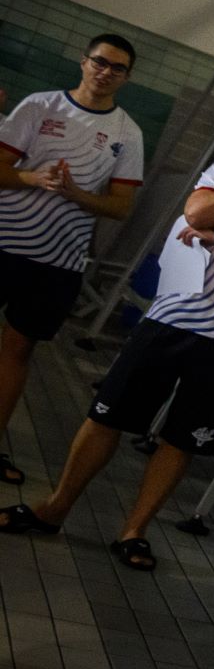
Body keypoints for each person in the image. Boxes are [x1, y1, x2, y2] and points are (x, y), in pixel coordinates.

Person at [0, 107, 214, 569]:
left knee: (182, 439)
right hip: (172, 319)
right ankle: (55, 507)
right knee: (107, 415)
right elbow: (196, 211)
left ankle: (134, 531)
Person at [0, 34, 147, 486]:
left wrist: (76, 194)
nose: (106, 72)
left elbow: (120, 206)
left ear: (126, 78)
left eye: (117, 68)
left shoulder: (127, 133)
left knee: (18, 350)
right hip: (4, 244)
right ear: (84, 62)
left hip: (58, 260)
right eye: (100, 62)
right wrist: (32, 178)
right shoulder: (39, 106)